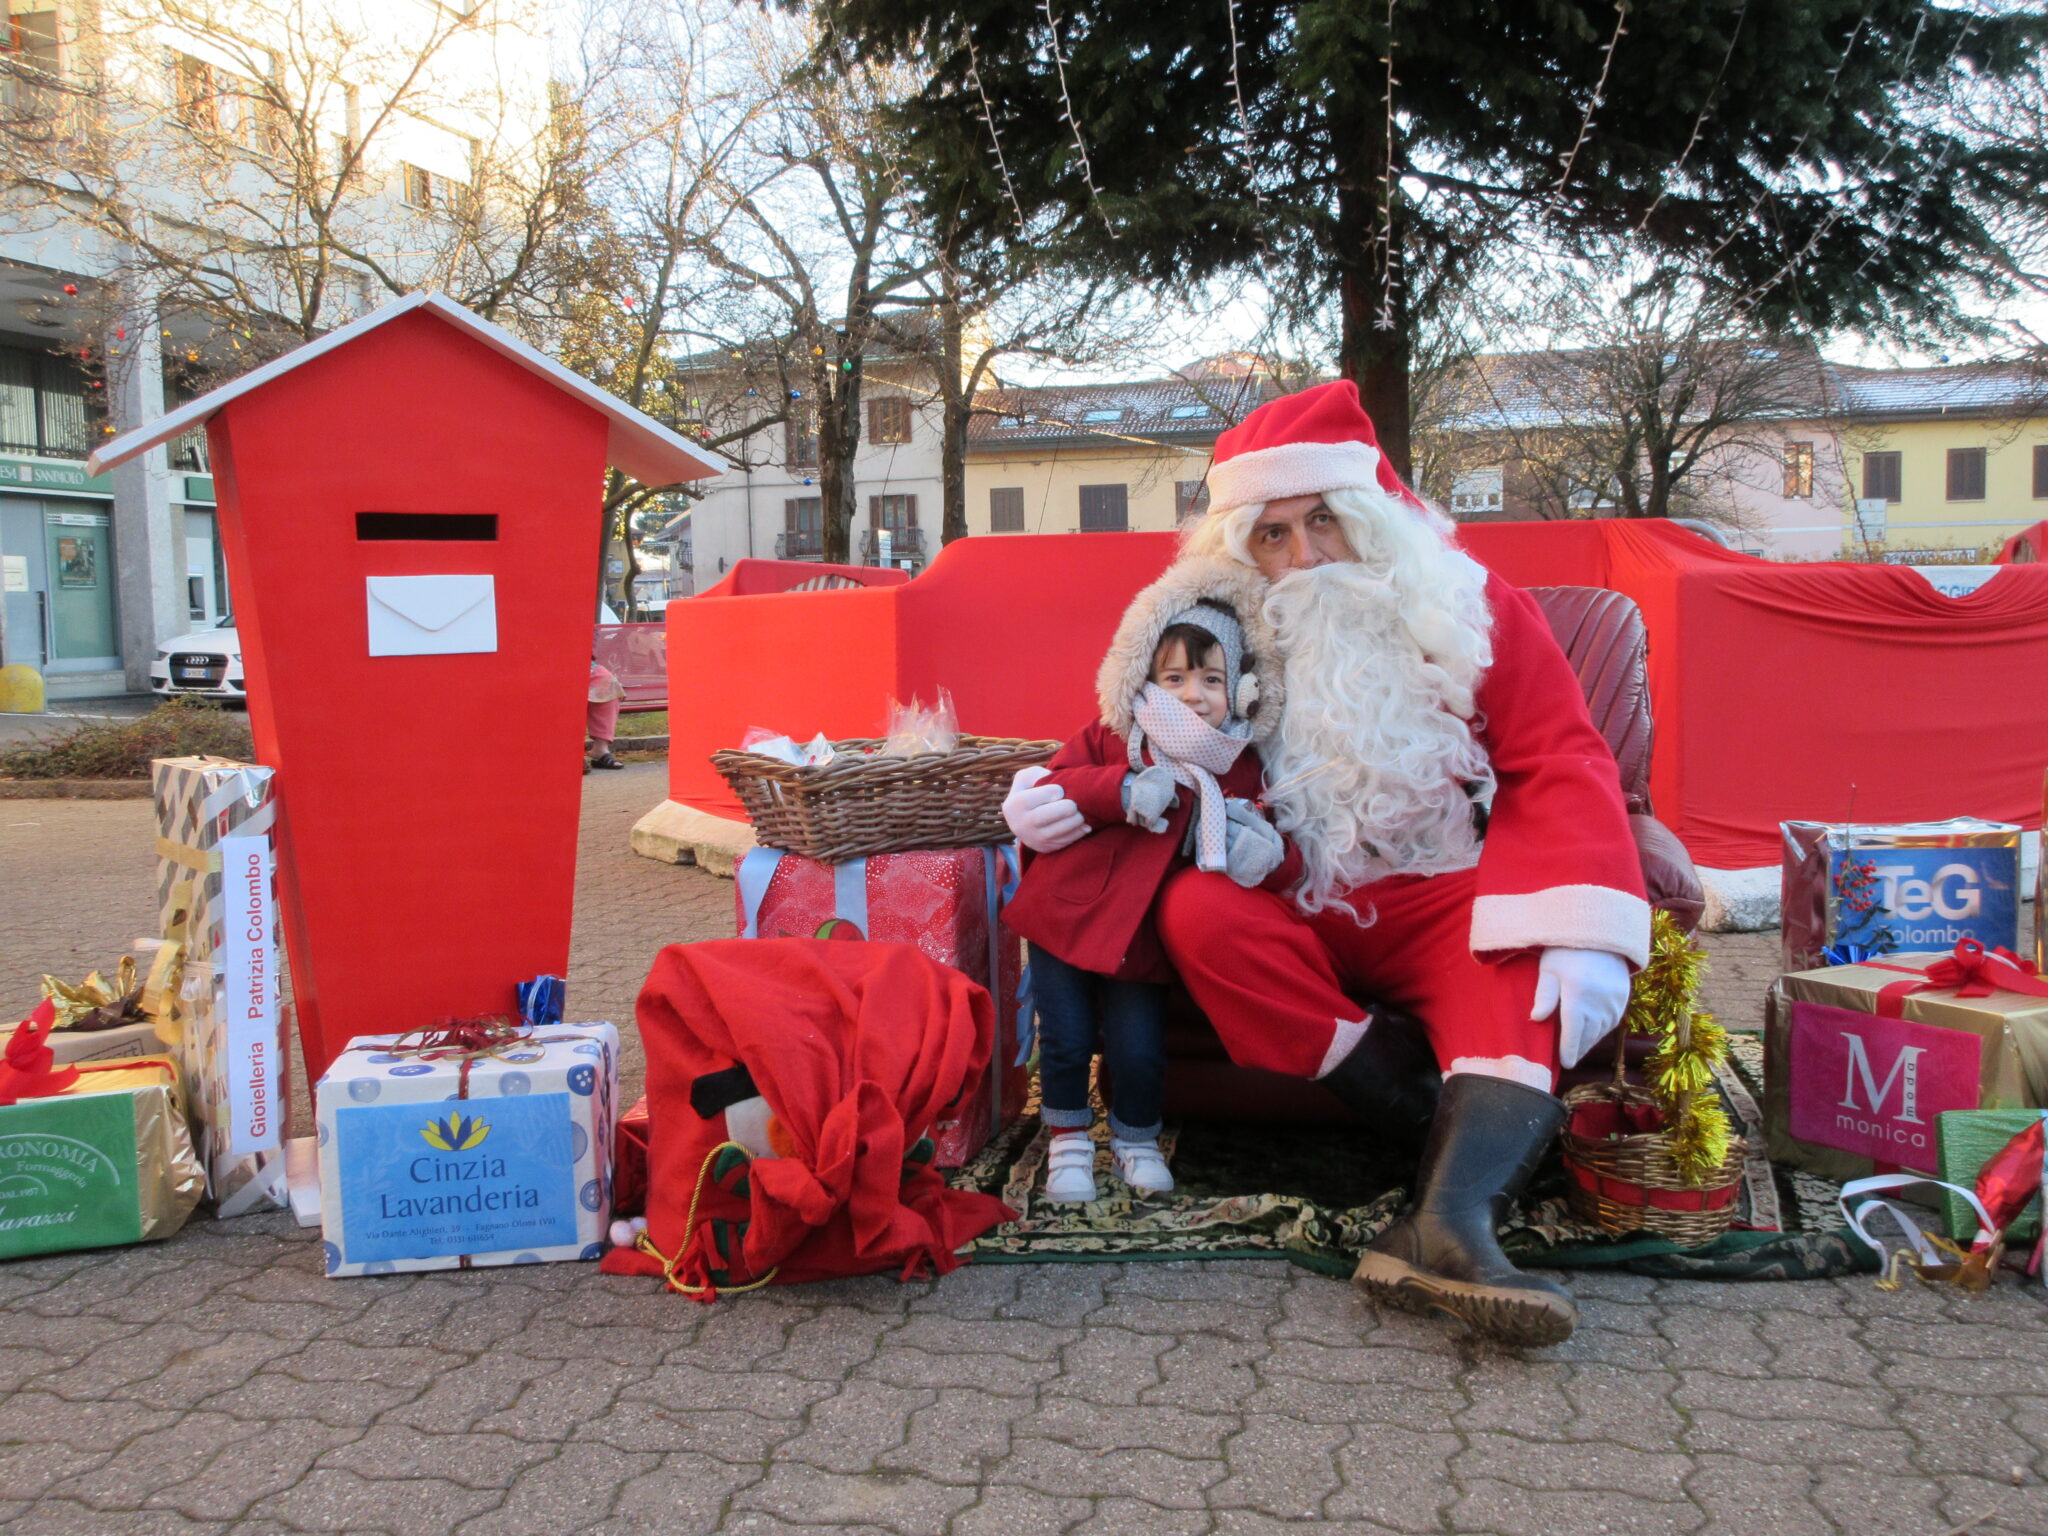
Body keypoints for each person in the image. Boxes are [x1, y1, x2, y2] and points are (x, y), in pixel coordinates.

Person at [1003, 380, 1647, 1346]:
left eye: (1325, 523)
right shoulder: (1224, 628)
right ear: (1239, 550)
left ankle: (1450, 1225)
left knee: (1528, 969)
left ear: (1372, 519)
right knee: (1197, 913)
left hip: (1441, 893)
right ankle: (1442, 1143)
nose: (1304, 558)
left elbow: (1557, 754)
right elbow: (1139, 711)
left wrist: (1580, 922)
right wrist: (1051, 790)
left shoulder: (1468, 608)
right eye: (1272, 535)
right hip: (1293, 897)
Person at [1003, 564, 1297, 1204]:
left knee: (1138, 1048)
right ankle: (1069, 1144)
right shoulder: (1115, 736)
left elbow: (1264, 826)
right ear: (1147, 681)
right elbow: (1058, 782)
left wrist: (1262, 850)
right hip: (1069, 911)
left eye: (1211, 679)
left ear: (1241, 689)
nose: (1194, 694)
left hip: (1144, 937)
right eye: (1176, 677)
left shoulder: (1240, 763)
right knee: (1068, 1038)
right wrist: (1123, 789)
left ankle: (1136, 1142)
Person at [587, 656, 626, 771]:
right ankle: (569, 753)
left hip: (580, 662)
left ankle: (600, 749)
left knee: (608, 682)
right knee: (568, 684)